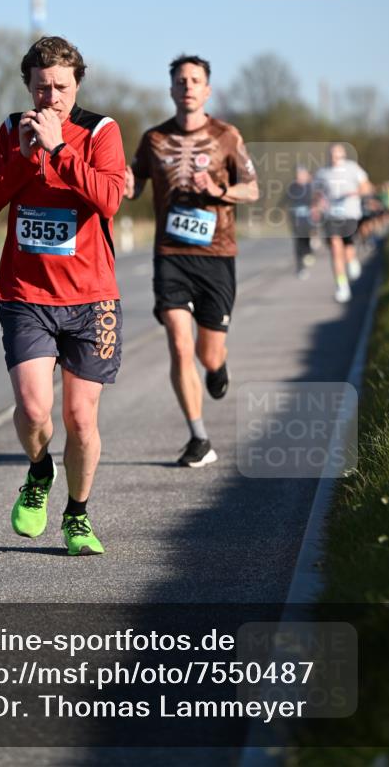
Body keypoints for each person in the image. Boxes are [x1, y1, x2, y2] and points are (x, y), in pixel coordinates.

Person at [0, 36, 125, 555]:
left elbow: (109, 198)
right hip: (26, 294)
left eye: (60, 87)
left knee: (80, 418)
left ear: (77, 84)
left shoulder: (100, 131)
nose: (51, 98)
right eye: (41, 88)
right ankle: (39, 471)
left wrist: (59, 150)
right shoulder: (11, 130)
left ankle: (77, 515)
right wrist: (22, 158)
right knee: (34, 409)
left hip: (91, 299)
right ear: (28, 87)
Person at [124, 54, 258, 468]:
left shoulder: (226, 136)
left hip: (216, 256)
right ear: (171, 89)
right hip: (171, 256)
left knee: (207, 355)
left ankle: (218, 366)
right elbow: (134, 185)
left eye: (195, 80)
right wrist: (122, 181)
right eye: (180, 80)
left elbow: (252, 190)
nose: (187, 86)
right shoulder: (153, 139)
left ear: (207, 90)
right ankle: (199, 437)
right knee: (180, 346)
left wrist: (219, 190)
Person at [312, 143, 370, 304]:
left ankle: (352, 261)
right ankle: (342, 286)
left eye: (338, 154)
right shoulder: (322, 173)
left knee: (348, 249)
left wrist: (355, 192)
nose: (335, 157)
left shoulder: (352, 168)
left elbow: (366, 187)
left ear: (343, 155)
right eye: (332, 154)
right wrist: (317, 205)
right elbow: (316, 193)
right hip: (331, 216)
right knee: (335, 248)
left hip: (350, 213)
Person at [286, 166, 315, 278]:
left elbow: (316, 202)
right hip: (296, 220)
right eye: (298, 174)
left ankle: (309, 252)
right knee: (298, 242)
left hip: (308, 220)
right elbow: (286, 200)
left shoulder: (311, 187)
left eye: (302, 174)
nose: (300, 176)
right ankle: (300, 267)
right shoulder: (292, 187)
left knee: (306, 239)